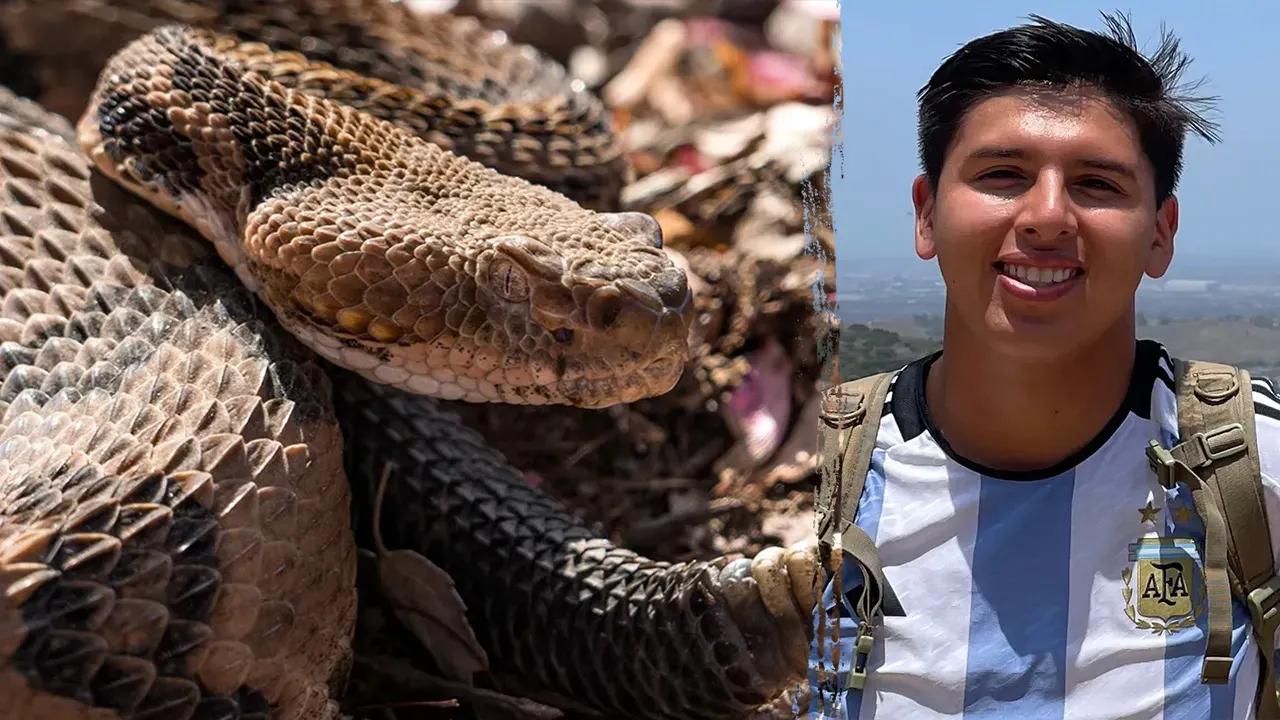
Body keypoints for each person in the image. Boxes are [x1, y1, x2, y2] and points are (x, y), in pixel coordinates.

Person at [807, 12, 1280, 719]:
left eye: (1097, 184)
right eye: (1003, 174)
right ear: (927, 213)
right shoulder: (816, 482)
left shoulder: (1252, 464)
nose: (1048, 216)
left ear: (1160, 232)